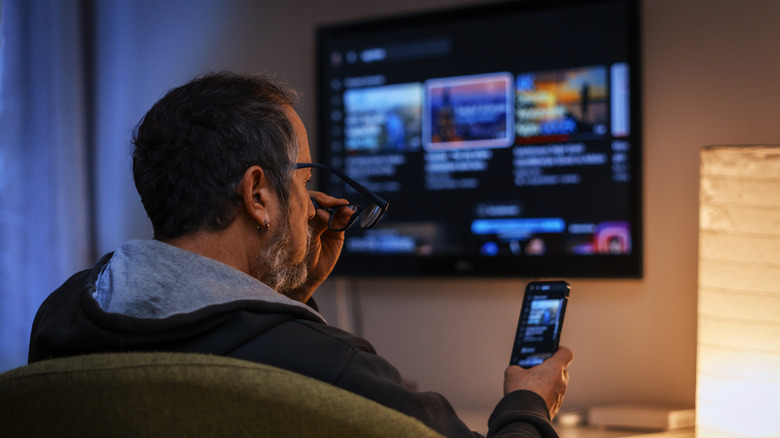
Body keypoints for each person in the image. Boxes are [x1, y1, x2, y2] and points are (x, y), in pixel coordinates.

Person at [28, 72, 573, 437]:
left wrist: (290, 296)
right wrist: (528, 404)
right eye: (303, 178)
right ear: (259, 194)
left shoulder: (61, 317)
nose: (312, 207)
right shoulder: (327, 366)